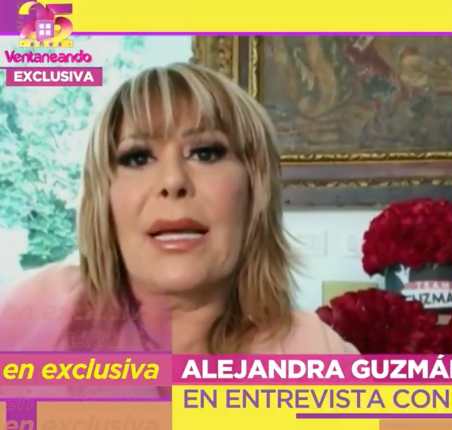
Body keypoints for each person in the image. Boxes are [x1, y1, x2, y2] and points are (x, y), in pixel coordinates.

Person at [0, 63, 358, 354]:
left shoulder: (316, 351)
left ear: (254, 189)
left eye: (206, 153)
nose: (173, 180)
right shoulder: (31, 314)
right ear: (104, 199)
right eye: (137, 158)